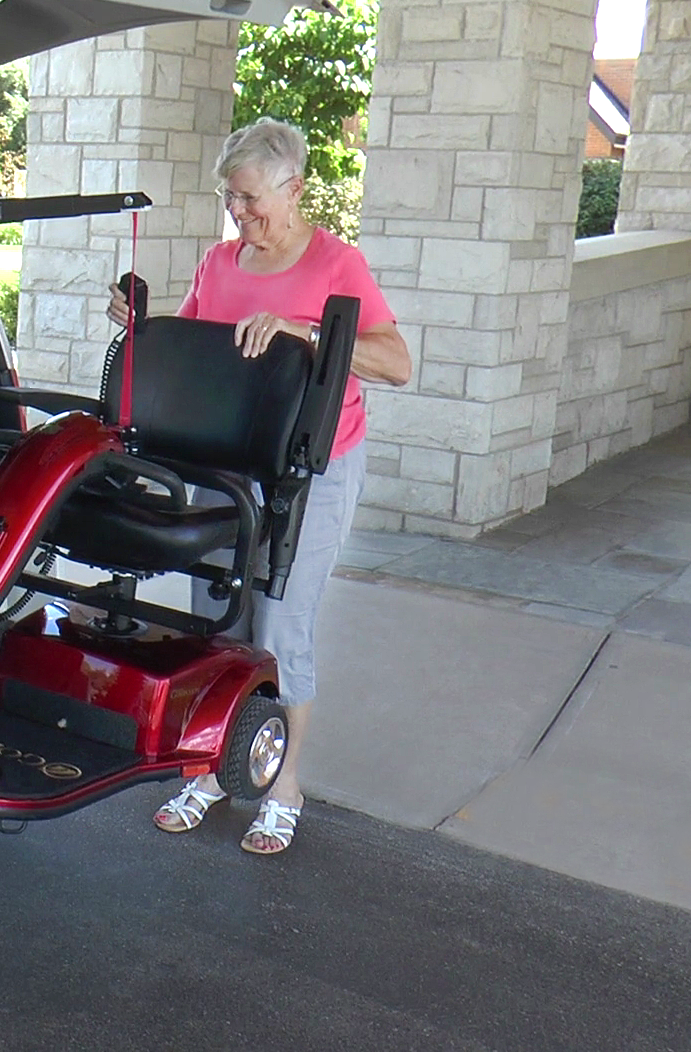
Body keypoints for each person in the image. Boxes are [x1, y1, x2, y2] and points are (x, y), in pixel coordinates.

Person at [105, 117, 412, 855]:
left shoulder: (337, 264)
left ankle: (283, 786)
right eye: (232, 200)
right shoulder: (219, 264)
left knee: (278, 629)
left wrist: (302, 330)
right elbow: (188, 357)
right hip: (227, 472)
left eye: (249, 199)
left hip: (313, 471)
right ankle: (212, 771)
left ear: (293, 187)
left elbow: (396, 361)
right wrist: (140, 325)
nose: (239, 214)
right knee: (220, 624)